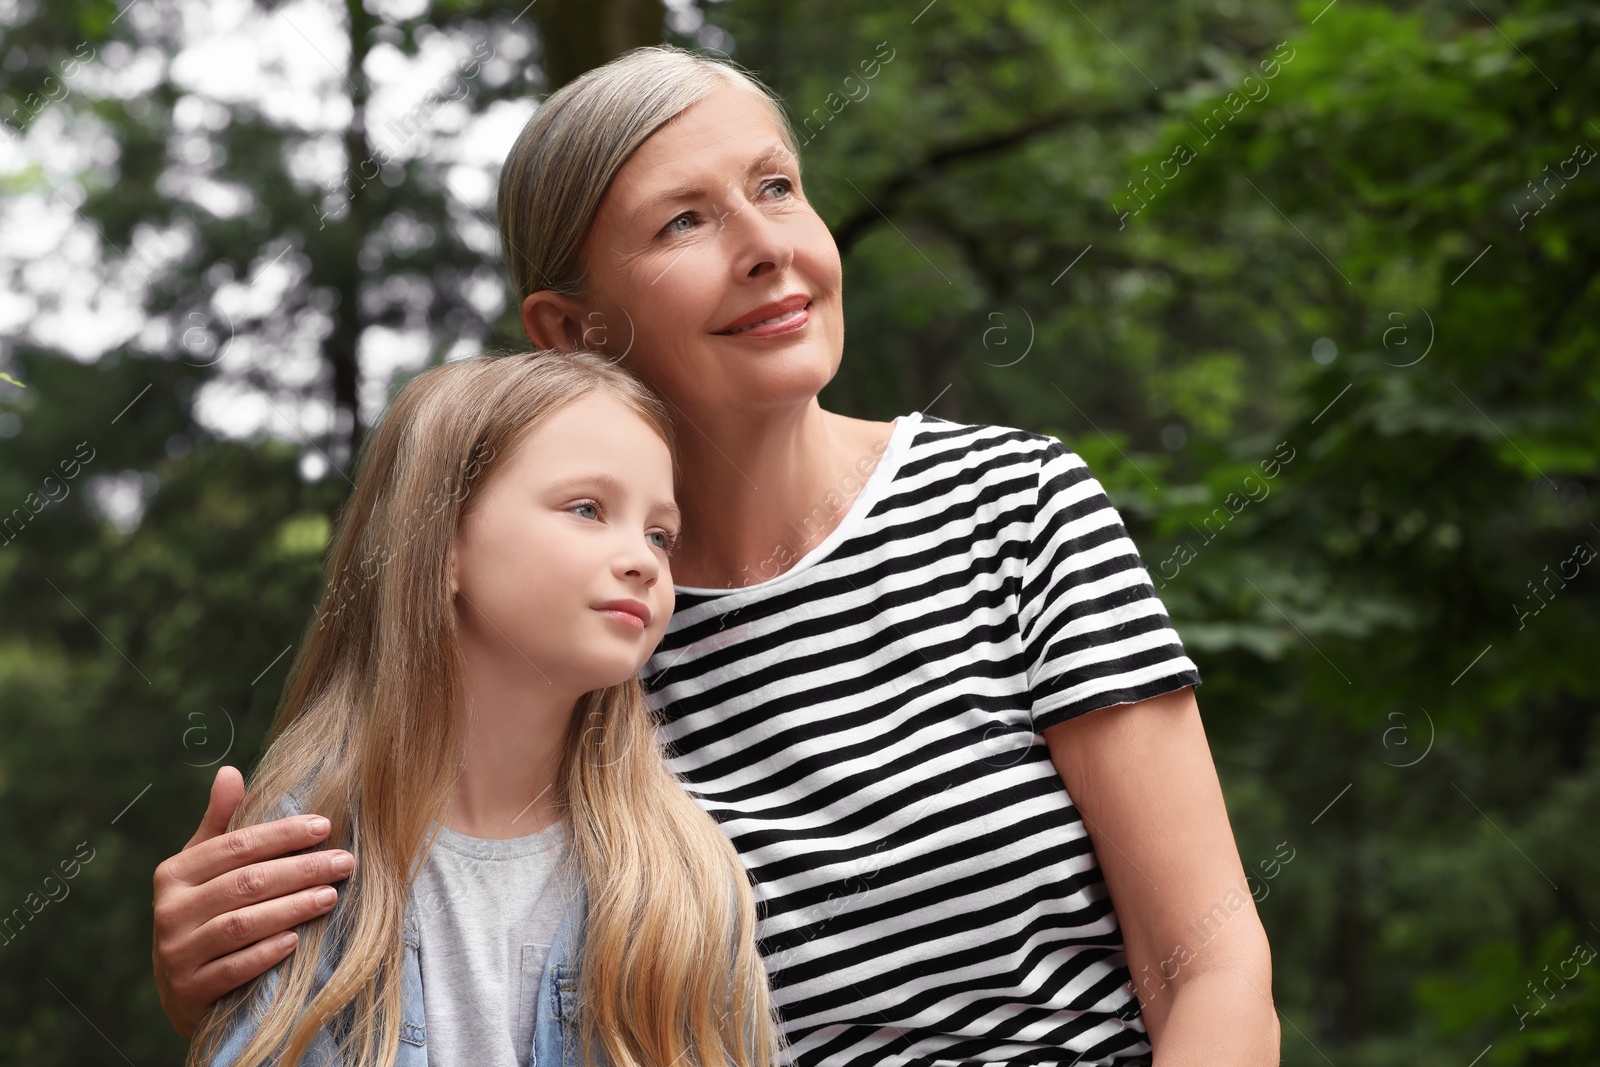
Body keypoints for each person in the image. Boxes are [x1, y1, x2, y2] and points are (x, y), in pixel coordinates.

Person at [153, 46, 1279, 1066]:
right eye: (684, 221)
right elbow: (440, 922)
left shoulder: (1013, 505)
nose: (766, 247)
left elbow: (1209, 964)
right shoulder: (570, 629)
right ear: (572, 330)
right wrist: (231, 956)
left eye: (776, 186)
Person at [186, 350, 780, 1067]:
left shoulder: (684, 876)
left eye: (660, 533)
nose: (644, 560)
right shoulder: (308, 855)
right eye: (588, 508)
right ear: (441, 547)